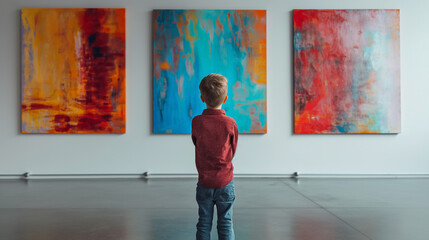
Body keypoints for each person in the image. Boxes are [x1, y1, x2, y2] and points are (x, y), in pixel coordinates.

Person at [192, 73, 238, 240]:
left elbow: (196, 143)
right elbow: (233, 149)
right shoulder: (230, 123)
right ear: (225, 98)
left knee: (203, 222)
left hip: (204, 182)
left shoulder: (197, 122)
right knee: (226, 222)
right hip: (225, 182)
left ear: (202, 97)